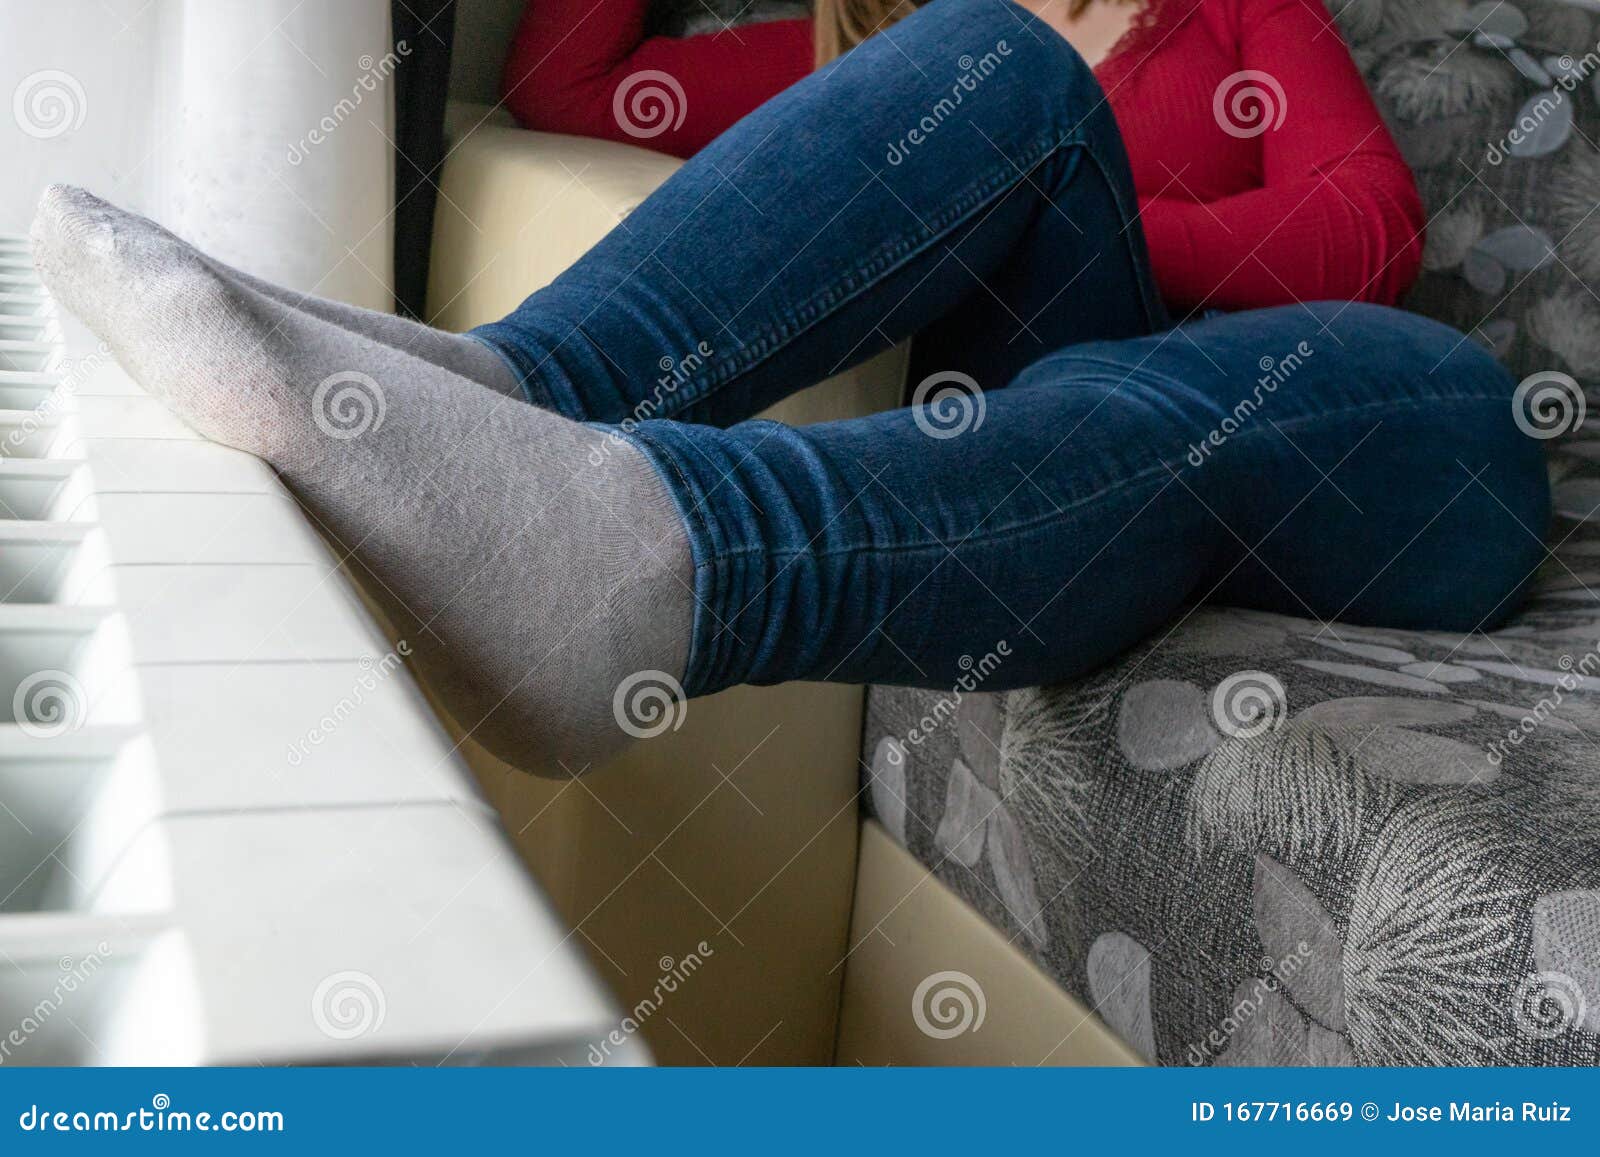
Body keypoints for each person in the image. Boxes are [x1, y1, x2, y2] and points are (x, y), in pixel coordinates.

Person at [31, 0, 1547, 772]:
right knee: (996, 67)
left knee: (1289, 388)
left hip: (1352, 421)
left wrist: (1107, 212)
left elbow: (1367, 227)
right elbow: (574, 86)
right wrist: (1004, 148)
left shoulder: (1226, 13)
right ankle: (520, 393)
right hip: (1043, 422)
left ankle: (660, 548)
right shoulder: (894, 43)